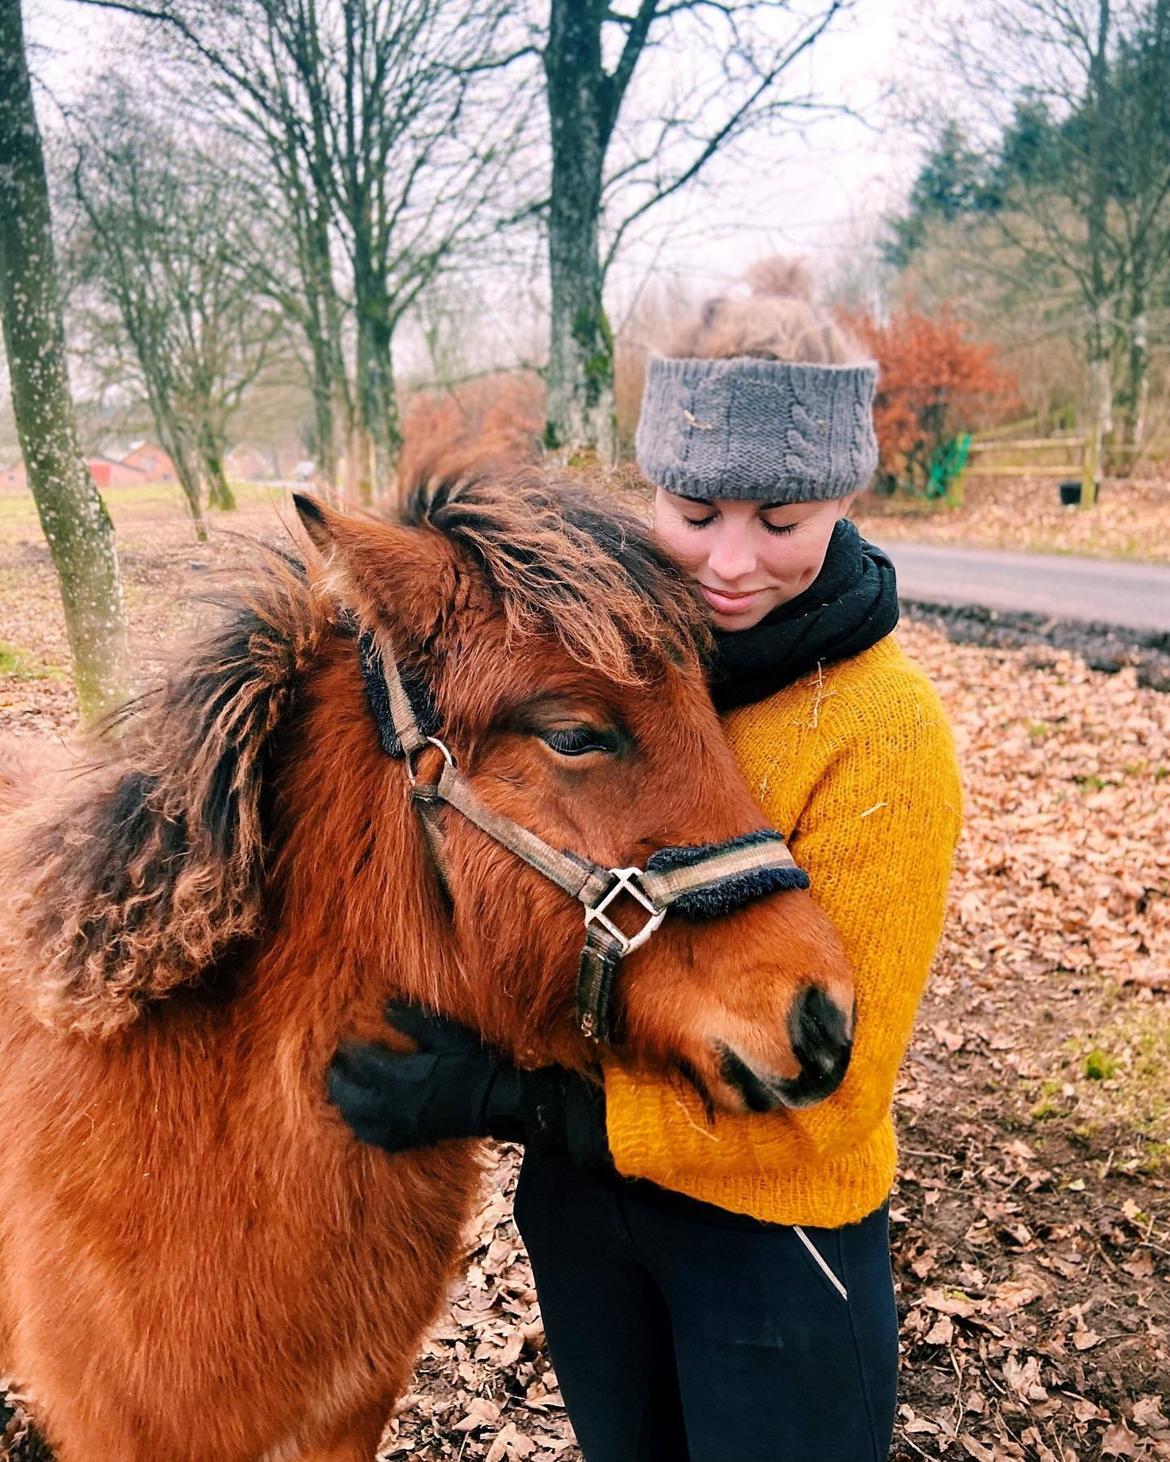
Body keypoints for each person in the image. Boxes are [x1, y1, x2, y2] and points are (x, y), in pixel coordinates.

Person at [328, 259, 963, 1462]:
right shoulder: (613, 661)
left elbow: (825, 1099)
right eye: (693, 512)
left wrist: (506, 1097)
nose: (728, 562)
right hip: (591, 1227)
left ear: (839, 502)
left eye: (780, 523)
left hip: (773, 1248)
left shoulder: (884, 732)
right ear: (649, 491)